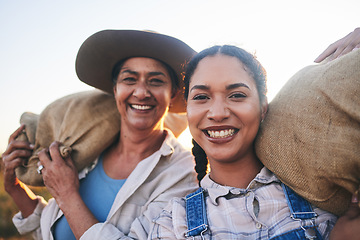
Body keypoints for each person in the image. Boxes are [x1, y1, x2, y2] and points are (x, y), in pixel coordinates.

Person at [2, 30, 198, 239]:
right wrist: (14, 188)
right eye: (129, 79)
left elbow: (70, 206)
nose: (141, 92)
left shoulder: (183, 173)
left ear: (173, 94)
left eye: (156, 81)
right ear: (115, 90)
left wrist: (68, 196)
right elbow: (54, 231)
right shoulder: (85, 150)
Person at [149, 45, 339, 239]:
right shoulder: (173, 224)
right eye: (201, 97)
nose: (217, 113)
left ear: (263, 107)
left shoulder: (321, 194)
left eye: (237, 95)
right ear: (188, 109)